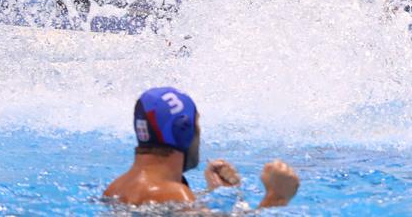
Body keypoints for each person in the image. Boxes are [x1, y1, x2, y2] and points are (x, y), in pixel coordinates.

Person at [103, 86, 299, 208]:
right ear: (184, 130)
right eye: (197, 124)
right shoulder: (174, 194)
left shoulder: (114, 189)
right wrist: (275, 199)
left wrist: (212, 193)